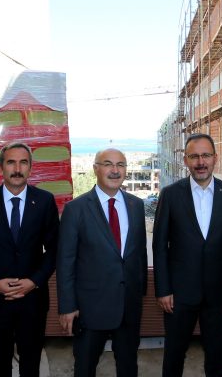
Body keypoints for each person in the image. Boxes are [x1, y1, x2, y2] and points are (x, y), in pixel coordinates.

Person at [153, 133, 222, 377]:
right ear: (185, 160)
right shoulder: (170, 194)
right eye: (194, 156)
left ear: (215, 158)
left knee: (216, 354)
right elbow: (159, 246)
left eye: (205, 155)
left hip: (219, 294)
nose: (200, 162)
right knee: (174, 353)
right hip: (178, 294)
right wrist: (163, 289)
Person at [0, 142, 59, 377]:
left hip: (33, 301)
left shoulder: (45, 201)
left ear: (30, 168)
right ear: (0, 168)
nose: (17, 169)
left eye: (23, 162)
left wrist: (34, 282)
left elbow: (55, 250)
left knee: (31, 366)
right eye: (11, 162)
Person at [56, 148, 147, 377]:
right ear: (95, 169)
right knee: (85, 367)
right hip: (90, 309)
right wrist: (67, 306)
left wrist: (140, 292)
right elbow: (66, 261)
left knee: (128, 366)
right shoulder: (75, 209)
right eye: (108, 164)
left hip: (128, 306)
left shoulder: (136, 205)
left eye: (120, 165)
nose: (115, 170)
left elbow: (139, 254)